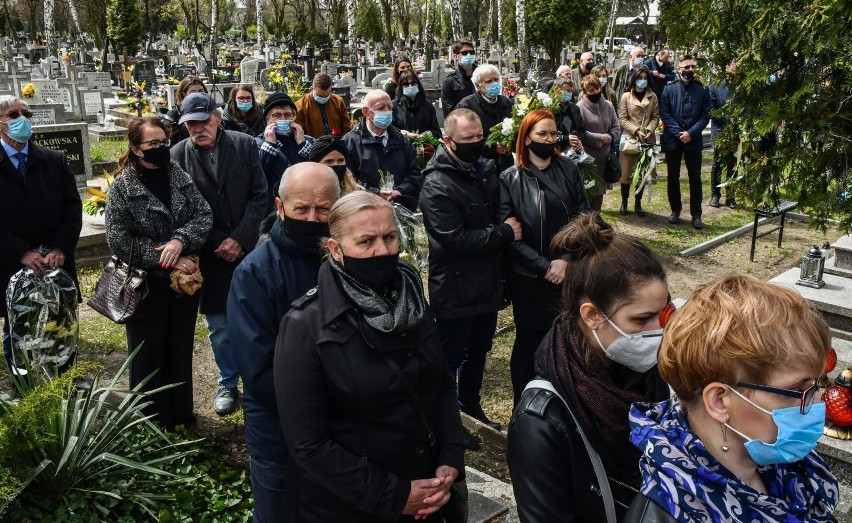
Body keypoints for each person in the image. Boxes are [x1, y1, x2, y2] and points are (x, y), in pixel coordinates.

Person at [274, 191, 465, 522]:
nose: (382, 251)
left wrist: (450, 456)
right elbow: (309, 445)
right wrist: (393, 495)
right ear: (336, 250)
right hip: (348, 506)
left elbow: (442, 383)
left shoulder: (413, 302)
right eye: (366, 242)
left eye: (389, 237)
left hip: (426, 495)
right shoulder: (305, 325)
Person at [625, 274, 837, 523]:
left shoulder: (791, 468)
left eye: (817, 385)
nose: (818, 403)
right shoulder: (664, 513)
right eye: (799, 391)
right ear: (719, 401)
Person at [508, 213, 672, 522]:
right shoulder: (541, 420)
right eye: (641, 320)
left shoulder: (657, 376)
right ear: (592, 315)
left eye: (663, 315)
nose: (658, 332)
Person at [229, 163, 341, 523]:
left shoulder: (348, 259)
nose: (312, 218)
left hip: (344, 431)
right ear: (279, 208)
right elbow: (259, 370)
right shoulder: (256, 273)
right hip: (281, 433)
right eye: (301, 210)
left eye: (323, 210)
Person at [105, 116, 213, 430]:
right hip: (145, 285)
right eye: (152, 144)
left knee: (179, 347)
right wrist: (165, 258)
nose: (161, 149)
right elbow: (120, 242)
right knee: (147, 352)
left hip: (182, 286)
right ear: (136, 148)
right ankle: (149, 421)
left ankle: (180, 415)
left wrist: (180, 241)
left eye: (163, 143)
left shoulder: (176, 174)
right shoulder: (124, 188)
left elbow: (203, 214)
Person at [420, 108, 521, 439]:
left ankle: (469, 405)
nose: (476, 143)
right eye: (468, 139)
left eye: (479, 136)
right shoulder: (437, 185)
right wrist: (504, 233)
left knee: (479, 350)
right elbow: (453, 240)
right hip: (456, 287)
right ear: (448, 141)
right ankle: (441, 418)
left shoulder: (484, 169)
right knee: (450, 358)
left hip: (487, 283)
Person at [171, 93, 268, 416]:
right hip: (210, 253)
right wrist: (218, 241)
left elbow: (259, 194)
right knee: (219, 325)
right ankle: (228, 381)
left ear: (216, 117)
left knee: (257, 317)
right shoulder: (178, 156)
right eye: (191, 124)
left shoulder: (243, 144)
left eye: (203, 121)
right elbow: (181, 209)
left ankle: (259, 379)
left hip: (248, 248)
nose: (198, 129)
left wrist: (240, 238)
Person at [499, 109, 590, 403]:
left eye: (553, 134)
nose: (549, 139)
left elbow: (585, 217)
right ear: (526, 139)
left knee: (567, 338)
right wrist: (543, 266)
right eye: (542, 134)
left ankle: (562, 399)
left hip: (568, 269)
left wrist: (566, 260)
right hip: (529, 275)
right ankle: (525, 403)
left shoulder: (569, 169)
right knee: (529, 339)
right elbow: (510, 234)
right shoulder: (509, 179)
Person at [0, 95, 82, 377]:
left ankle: (66, 379)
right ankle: (25, 388)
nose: (23, 119)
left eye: (26, 113)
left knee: (63, 322)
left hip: (55, 262)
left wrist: (60, 247)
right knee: (19, 326)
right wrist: (21, 251)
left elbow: (72, 207)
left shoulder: (53, 160)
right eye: (14, 115)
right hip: (12, 263)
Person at [342, 89, 423, 211]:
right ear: (366, 112)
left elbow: (415, 172)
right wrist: (375, 192)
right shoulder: (351, 143)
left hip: (400, 206)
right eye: (380, 108)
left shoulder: (401, 139)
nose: (387, 112)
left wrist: (400, 191)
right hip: (365, 209)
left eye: (389, 107)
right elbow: (349, 179)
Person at [659, 55, 711, 229]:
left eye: (693, 67)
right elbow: (665, 113)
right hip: (673, 139)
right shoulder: (669, 89)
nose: (690, 70)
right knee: (673, 176)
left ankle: (696, 214)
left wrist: (690, 132)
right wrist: (678, 132)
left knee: (694, 177)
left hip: (693, 139)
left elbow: (705, 115)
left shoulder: (702, 90)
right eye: (687, 67)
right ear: (678, 68)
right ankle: (675, 210)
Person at [256, 92, 313, 213]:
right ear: (267, 119)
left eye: (288, 115)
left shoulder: (308, 141)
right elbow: (258, 175)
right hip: (273, 207)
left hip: (304, 202)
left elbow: (315, 170)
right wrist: (270, 145)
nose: (283, 119)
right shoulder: (257, 144)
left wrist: (303, 144)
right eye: (276, 115)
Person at [618, 64, 659, 216]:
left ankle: (638, 203)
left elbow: (655, 117)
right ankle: (624, 202)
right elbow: (622, 118)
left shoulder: (652, 96)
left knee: (642, 173)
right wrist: (635, 130)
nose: (642, 81)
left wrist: (649, 130)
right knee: (626, 174)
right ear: (634, 79)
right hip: (631, 139)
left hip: (647, 139)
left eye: (645, 78)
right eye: (639, 78)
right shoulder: (626, 96)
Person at [456, 64, 514, 173]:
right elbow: (463, 139)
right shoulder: (466, 106)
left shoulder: (506, 102)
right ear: (478, 86)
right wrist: (493, 147)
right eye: (489, 81)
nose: (494, 84)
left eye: (496, 79)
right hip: (479, 165)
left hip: (505, 165)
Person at [577, 75, 621, 211]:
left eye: (597, 89)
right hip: (588, 157)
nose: (595, 92)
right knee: (588, 191)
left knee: (599, 193)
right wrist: (598, 138)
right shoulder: (579, 107)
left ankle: (595, 220)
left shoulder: (608, 105)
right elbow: (580, 132)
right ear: (585, 92)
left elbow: (616, 126)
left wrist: (609, 136)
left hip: (605, 157)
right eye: (591, 90)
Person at [294, 73, 352, 137]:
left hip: (336, 144)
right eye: (319, 96)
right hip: (312, 145)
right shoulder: (301, 105)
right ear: (312, 88)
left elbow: (346, 127)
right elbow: (298, 131)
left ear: (331, 88)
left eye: (327, 95)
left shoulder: (338, 101)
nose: (323, 98)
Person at [709, 73, 735, 209]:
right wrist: (729, 119)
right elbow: (712, 110)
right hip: (720, 130)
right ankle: (715, 195)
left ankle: (730, 196)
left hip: (736, 131)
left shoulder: (742, 86)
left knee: (733, 163)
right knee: (717, 163)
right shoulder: (715, 86)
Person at [392, 70, 442, 138]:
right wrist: (406, 134)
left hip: (425, 145)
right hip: (402, 145)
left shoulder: (428, 106)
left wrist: (424, 135)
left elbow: (436, 131)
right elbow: (390, 130)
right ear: (401, 87)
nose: (410, 86)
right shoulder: (394, 106)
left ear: (418, 84)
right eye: (406, 84)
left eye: (413, 83)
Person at [163, 76, 207, 147]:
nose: (198, 95)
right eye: (193, 92)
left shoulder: (210, 111)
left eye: (201, 91)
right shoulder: (172, 116)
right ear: (184, 94)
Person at [441, 39, 477, 117]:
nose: (469, 55)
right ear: (456, 56)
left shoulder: (483, 75)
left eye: (471, 52)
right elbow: (449, 113)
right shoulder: (449, 81)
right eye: (464, 53)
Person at [553, 78, 586, 151]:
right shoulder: (550, 110)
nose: (570, 93)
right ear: (556, 90)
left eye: (571, 91)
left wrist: (578, 140)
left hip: (574, 151)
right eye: (567, 91)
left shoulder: (575, 108)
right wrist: (565, 139)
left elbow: (582, 129)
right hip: (557, 151)